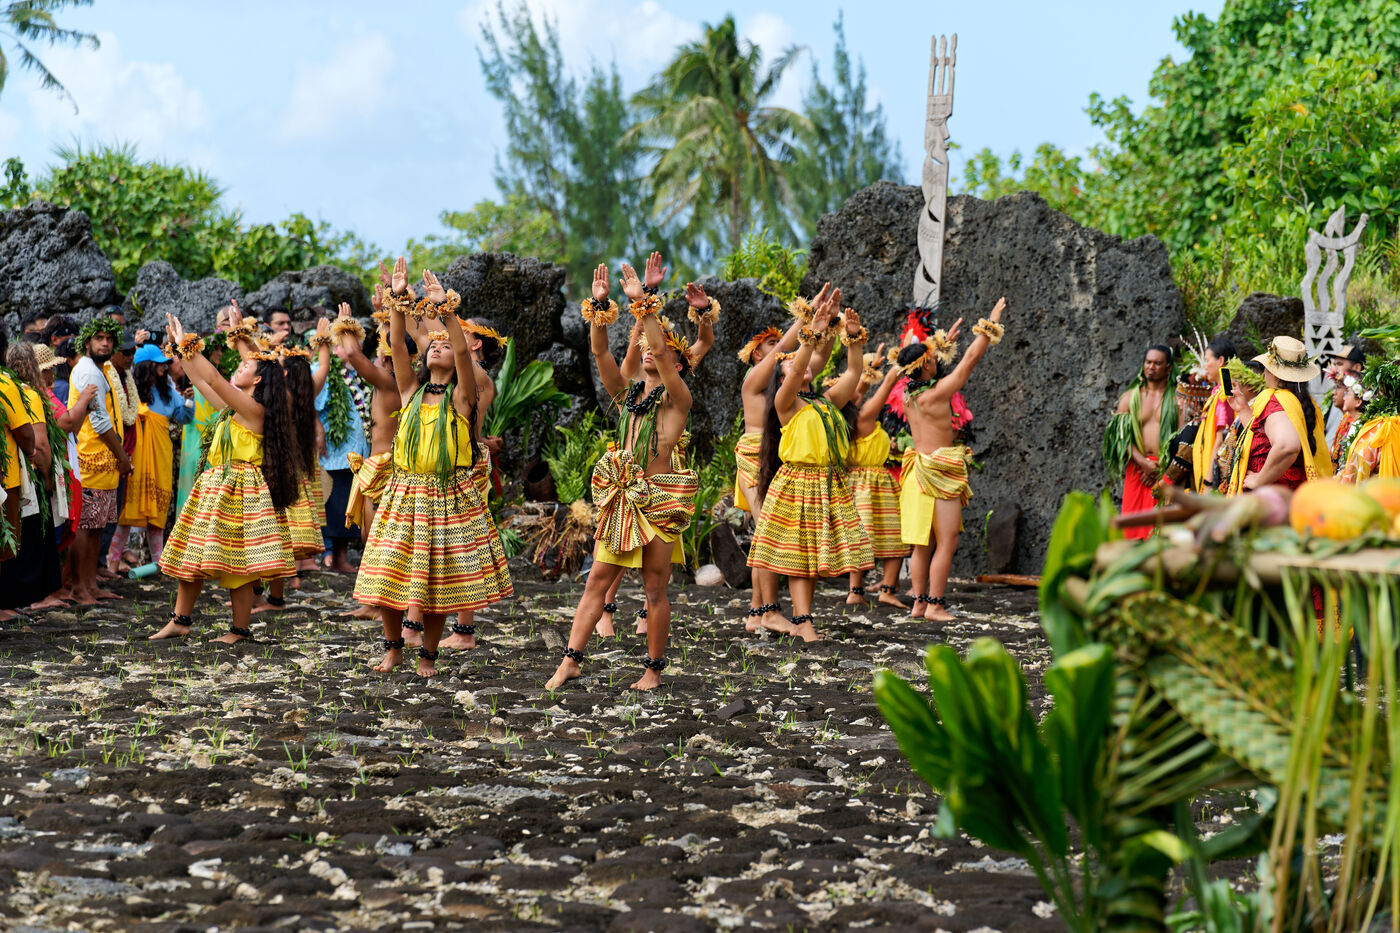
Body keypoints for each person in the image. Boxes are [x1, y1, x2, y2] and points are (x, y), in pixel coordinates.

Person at [353, 260, 512, 678]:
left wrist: (446, 310)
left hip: (445, 496)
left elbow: (461, 350)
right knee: (388, 577)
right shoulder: (410, 389)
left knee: (439, 585)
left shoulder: (462, 396)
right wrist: (397, 300)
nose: (437, 346)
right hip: (405, 493)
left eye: (444, 344)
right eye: (432, 344)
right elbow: (397, 341)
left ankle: (427, 655)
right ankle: (392, 650)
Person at [545, 256, 697, 690]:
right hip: (623, 500)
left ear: (677, 365)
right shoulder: (626, 397)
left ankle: (652, 670)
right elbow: (600, 352)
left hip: (660, 499)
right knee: (596, 580)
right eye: (644, 345)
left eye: (658, 347)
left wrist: (645, 303)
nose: (649, 349)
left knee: (654, 590)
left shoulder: (678, 399)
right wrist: (599, 307)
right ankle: (570, 661)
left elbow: (663, 352)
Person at [150, 308, 300, 642]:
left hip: (241, 490)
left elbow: (216, 379)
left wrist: (187, 345)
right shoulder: (234, 409)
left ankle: (239, 630)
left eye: (246, 367)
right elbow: (202, 381)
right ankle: (180, 619)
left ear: (258, 380)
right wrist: (181, 351)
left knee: (238, 562)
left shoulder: (254, 410)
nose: (239, 367)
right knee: (193, 552)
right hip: (217, 486)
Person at [594, 256, 718, 638]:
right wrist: (642, 300)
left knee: (658, 549)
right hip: (631, 459)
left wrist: (703, 313)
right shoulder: (637, 369)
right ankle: (605, 611)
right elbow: (622, 356)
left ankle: (649, 612)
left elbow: (704, 342)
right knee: (619, 537)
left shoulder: (676, 366)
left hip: (667, 463)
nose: (653, 347)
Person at [747, 291, 874, 642]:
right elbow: (798, 369)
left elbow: (854, 371)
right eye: (787, 364)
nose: (796, 365)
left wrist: (852, 338)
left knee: (812, 558)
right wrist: (811, 334)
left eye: (796, 361)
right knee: (796, 557)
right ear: (782, 376)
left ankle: (804, 619)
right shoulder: (785, 402)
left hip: (826, 483)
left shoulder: (827, 401)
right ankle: (799, 620)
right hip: (797, 482)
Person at [732, 288, 838, 634]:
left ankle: (756, 613)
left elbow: (818, 358)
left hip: (781, 456)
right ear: (756, 353)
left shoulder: (788, 377)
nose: (780, 347)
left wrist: (827, 325)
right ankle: (769, 611)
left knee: (771, 534)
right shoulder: (754, 380)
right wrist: (806, 319)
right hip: (754, 455)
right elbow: (785, 349)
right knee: (768, 534)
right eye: (770, 344)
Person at [901, 299, 1006, 621]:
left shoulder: (908, 395)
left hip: (917, 471)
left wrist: (941, 345)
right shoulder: (937, 394)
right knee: (947, 541)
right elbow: (968, 362)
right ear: (925, 366)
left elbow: (921, 363)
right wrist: (989, 325)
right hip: (939, 470)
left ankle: (919, 603)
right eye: (932, 359)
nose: (936, 361)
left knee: (922, 544)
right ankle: (935, 605)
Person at [333, 296, 404, 622]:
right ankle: (370, 601)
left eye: (379, 351)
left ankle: (380, 604)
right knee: (369, 536)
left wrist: (346, 326)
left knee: (377, 537)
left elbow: (352, 355)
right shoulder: (388, 379)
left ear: (387, 358)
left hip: (385, 467)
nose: (374, 355)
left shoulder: (389, 382)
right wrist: (387, 312)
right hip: (376, 466)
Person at [105, 344, 193, 570]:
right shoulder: (130, 390)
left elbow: (184, 417)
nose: (164, 367)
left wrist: (189, 401)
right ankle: (112, 562)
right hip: (136, 456)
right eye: (158, 363)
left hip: (160, 455)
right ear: (147, 366)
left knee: (158, 512)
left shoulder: (168, 392)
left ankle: (158, 563)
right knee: (127, 511)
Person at [68, 317, 132, 604]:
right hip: (91, 458)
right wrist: (122, 457)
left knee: (97, 527)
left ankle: (91, 584)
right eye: (99, 338)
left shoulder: (101, 369)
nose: (105, 343)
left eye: (109, 339)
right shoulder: (88, 371)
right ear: (87, 343)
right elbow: (100, 422)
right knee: (86, 527)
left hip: (104, 461)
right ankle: (78, 588)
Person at [1224, 336, 1331, 494]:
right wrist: (1242, 409)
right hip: (1295, 495)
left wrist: (1259, 480)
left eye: (1265, 368)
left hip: (1274, 498)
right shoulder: (1301, 402)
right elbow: (1265, 439)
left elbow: (1287, 446)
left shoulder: (1276, 401)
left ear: (1273, 373)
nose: (1264, 373)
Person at [4, 342, 65, 615]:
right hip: (28, 477)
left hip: (13, 475)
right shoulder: (29, 394)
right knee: (28, 541)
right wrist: (48, 478)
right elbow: (40, 444)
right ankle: (21, 600)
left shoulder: (10, 388)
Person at [846, 347, 910, 609]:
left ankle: (855, 591)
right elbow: (886, 387)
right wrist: (904, 358)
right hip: (875, 484)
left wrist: (870, 368)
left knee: (858, 539)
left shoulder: (841, 422)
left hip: (853, 484)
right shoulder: (864, 417)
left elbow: (856, 392)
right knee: (895, 536)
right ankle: (887, 590)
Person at [313, 308, 370, 575]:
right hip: (335, 453)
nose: (356, 347)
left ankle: (341, 558)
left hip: (355, 454)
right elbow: (310, 402)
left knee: (349, 506)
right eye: (350, 342)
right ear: (335, 347)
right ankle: (329, 555)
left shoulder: (355, 375)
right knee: (334, 506)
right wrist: (318, 429)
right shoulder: (324, 370)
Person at [1111, 345, 1178, 539]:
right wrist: (1143, 463)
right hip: (1137, 469)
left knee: (1158, 529)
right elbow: (1120, 437)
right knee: (1131, 528)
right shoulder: (1129, 398)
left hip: (1164, 471)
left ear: (1168, 367)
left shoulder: (1177, 399)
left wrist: (1162, 468)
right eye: (1148, 362)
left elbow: (1182, 437)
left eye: (1157, 363)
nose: (1151, 367)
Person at [1188, 334, 1237, 491]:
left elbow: (1221, 438)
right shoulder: (1220, 390)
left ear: (1220, 361)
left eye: (1207, 360)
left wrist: (1209, 481)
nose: (1205, 366)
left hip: (1214, 479)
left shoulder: (1225, 393)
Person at [1324, 344, 1366, 445]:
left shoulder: (1361, 399)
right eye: (1334, 364)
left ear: (1357, 367)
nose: (1334, 369)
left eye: (1339, 364)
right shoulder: (1335, 398)